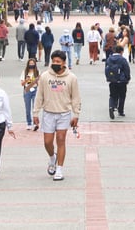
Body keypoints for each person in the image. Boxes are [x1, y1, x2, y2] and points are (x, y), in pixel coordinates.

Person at [32, 50, 81, 181]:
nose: (55, 63)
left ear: (64, 63)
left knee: (61, 139)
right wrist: (35, 112)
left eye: (58, 62)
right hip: (48, 113)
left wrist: (76, 115)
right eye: (53, 61)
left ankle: (59, 169)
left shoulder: (71, 78)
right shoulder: (45, 76)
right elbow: (39, 95)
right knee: (47, 142)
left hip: (64, 113)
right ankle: (52, 158)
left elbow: (76, 98)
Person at [105, 45, 130, 119]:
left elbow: (106, 69)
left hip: (112, 80)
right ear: (121, 51)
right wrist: (127, 78)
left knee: (112, 95)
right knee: (122, 96)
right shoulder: (122, 59)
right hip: (121, 81)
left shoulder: (109, 59)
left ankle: (111, 106)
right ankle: (120, 111)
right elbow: (126, 70)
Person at [20, 58, 41, 130]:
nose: (31, 65)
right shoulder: (25, 72)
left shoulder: (37, 72)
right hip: (27, 90)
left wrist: (36, 81)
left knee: (35, 107)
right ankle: (29, 123)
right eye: (30, 63)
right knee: (27, 108)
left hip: (35, 90)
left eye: (33, 63)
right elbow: (22, 84)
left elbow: (40, 83)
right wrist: (26, 80)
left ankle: (36, 123)